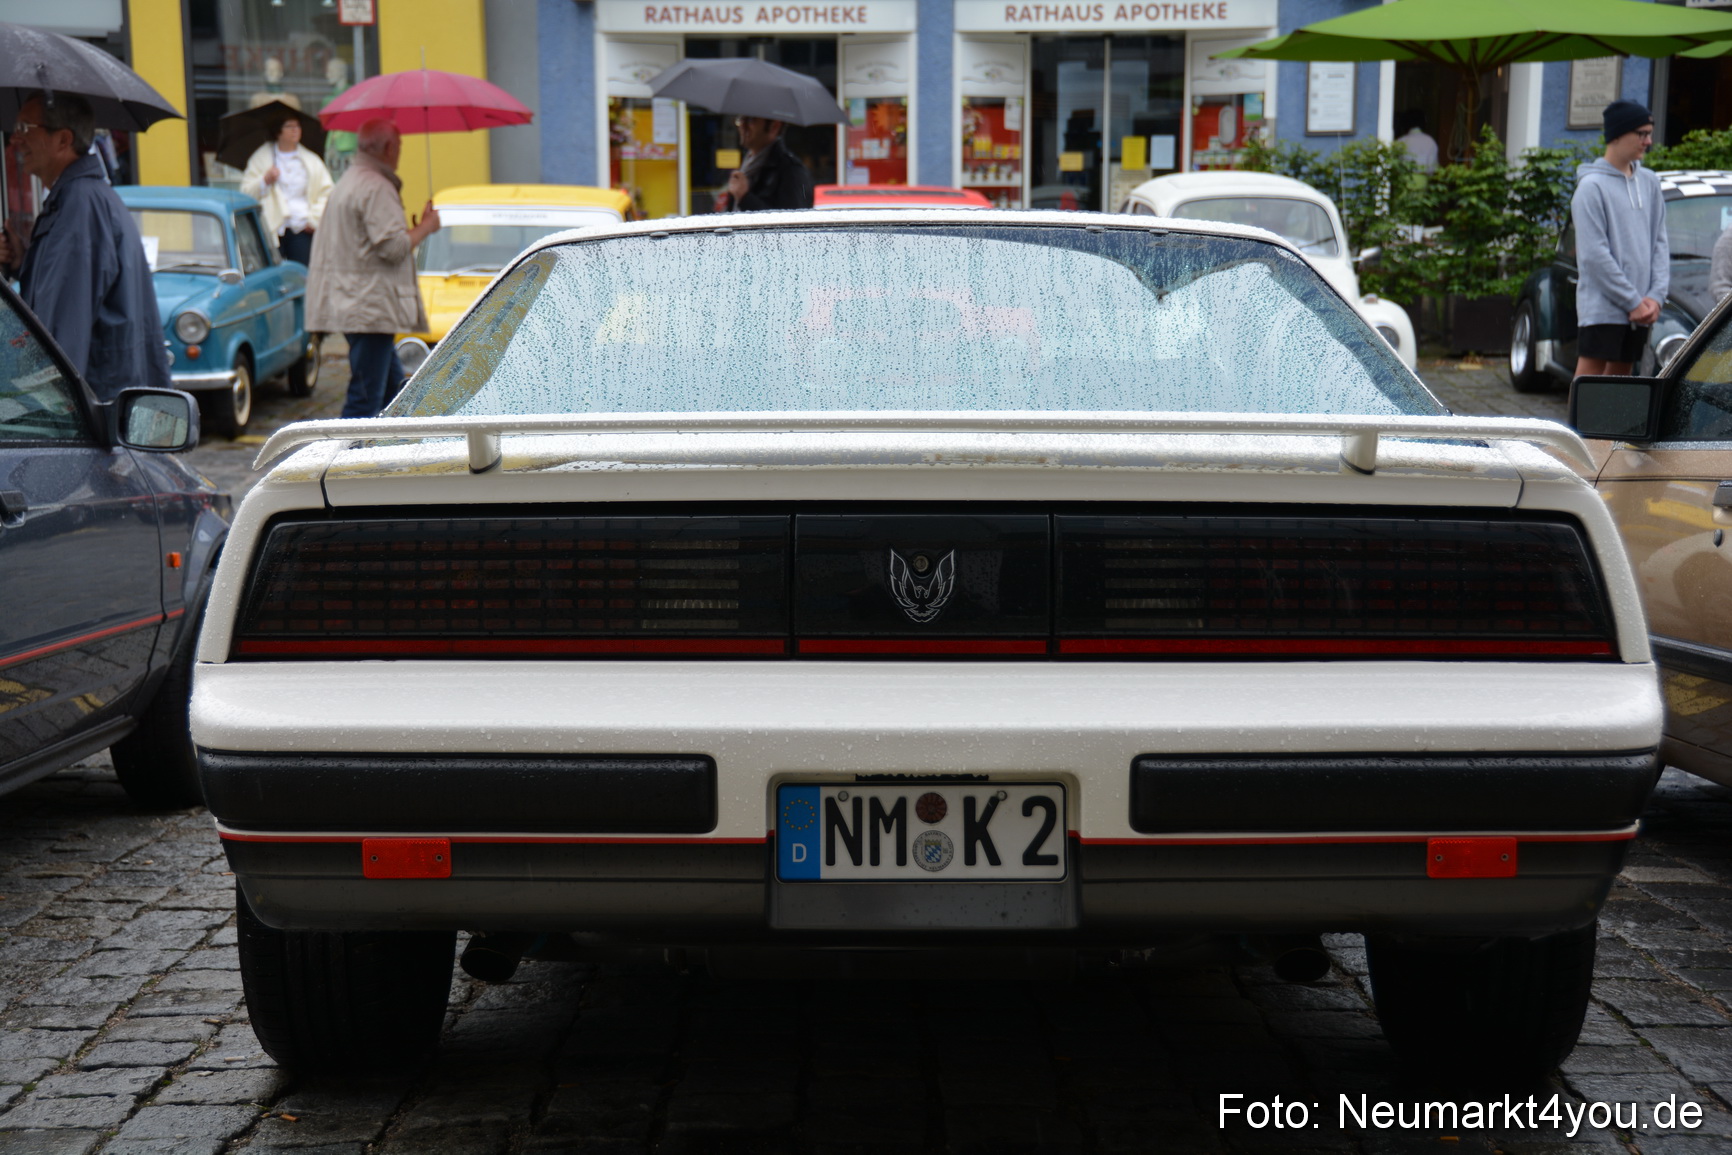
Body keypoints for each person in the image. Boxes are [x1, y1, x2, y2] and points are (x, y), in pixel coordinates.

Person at [0, 91, 168, 398]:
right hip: (107, 404)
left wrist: (38, 412)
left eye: (25, 128)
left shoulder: (79, 208)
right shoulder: (80, 199)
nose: (14, 140)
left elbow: (60, 339)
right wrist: (22, 262)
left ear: (63, 140)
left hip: (93, 414)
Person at [305, 118, 440, 419]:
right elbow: (392, 248)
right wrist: (427, 228)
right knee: (365, 400)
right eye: (400, 145)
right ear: (389, 147)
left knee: (395, 394)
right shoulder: (376, 186)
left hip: (356, 302)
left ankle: (400, 451)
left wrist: (412, 232)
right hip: (370, 306)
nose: (400, 152)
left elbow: (369, 244)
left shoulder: (352, 179)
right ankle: (344, 461)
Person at [1573, 100, 1668, 379]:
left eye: (1649, 133)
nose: (1648, 141)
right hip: (1604, 307)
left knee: (1621, 378)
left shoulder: (1649, 182)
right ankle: (1578, 426)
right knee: (1590, 378)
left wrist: (1655, 297)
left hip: (1642, 307)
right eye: (1641, 133)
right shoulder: (1591, 188)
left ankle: (1612, 426)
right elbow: (1594, 256)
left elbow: (1660, 242)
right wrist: (1632, 302)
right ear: (1616, 135)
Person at [239, 115, 333, 267]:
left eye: (298, 126)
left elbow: (327, 193)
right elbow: (246, 192)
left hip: (302, 226)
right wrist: (265, 180)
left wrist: (314, 219)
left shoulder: (311, 160)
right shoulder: (261, 157)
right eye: (290, 126)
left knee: (302, 274)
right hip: (271, 229)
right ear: (278, 131)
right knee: (271, 274)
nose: (295, 130)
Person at [717, 116, 813, 211]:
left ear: (774, 126)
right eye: (740, 119)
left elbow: (792, 222)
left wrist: (745, 198)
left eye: (751, 120)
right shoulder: (747, 165)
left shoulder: (791, 170)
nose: (742, 125)